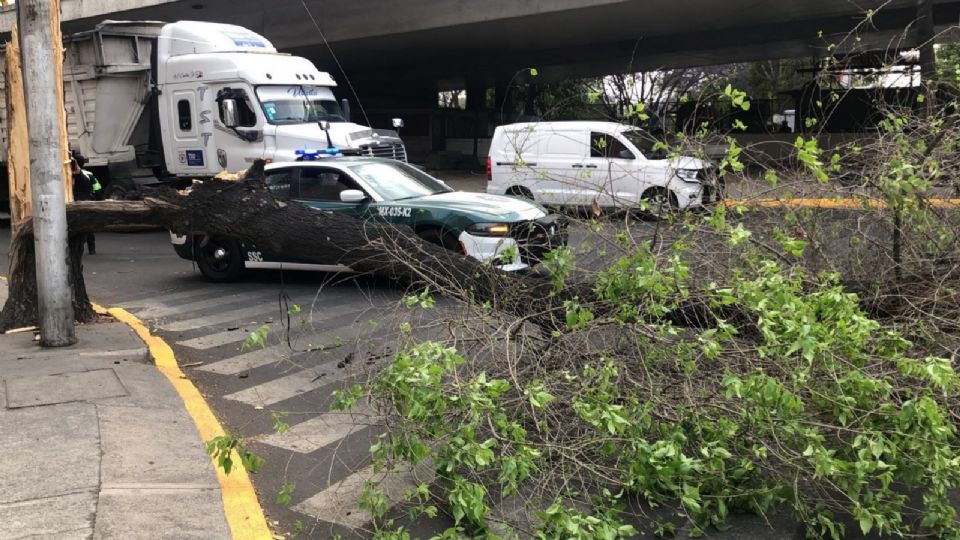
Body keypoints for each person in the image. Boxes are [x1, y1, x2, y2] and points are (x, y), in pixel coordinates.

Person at [71, 152, 102, 254]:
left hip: (76, 203)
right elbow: (97, 188)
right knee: (89, 227)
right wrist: (97, 201)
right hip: (88, 201)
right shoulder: (89, 174)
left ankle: (77, 250)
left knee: (77, 228)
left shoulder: (71, 174)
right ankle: (92, 249)